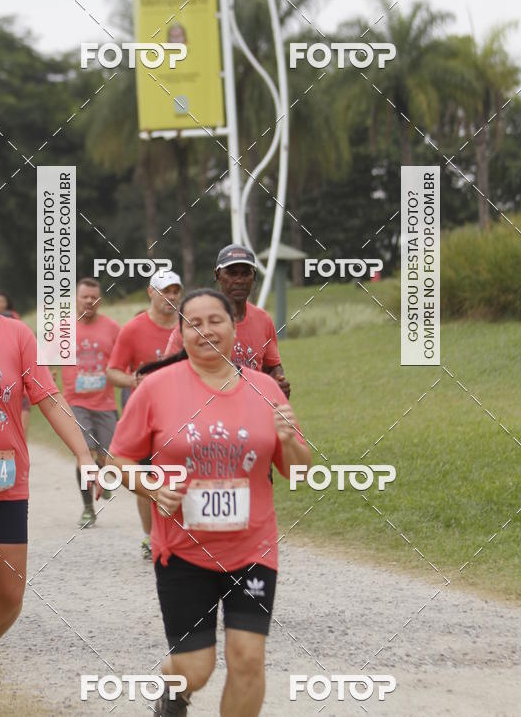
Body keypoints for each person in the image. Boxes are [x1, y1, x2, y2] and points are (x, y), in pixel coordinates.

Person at [109, 289, 311, 717]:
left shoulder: (266, 388)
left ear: (233, 328)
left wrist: (290, 440)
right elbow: (118, 461)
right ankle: (172, 690)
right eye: (193, 323)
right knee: (195, 669)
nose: (205, 330)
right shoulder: (156, 388)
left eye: (215, 320)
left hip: (252, 548)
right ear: (180, 333)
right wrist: (151, 486)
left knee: (247, 659)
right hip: (183, 552)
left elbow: (299, 471)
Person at [0, 248, 96, 717]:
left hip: (8, 478)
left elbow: (48, 399)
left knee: (8, 595)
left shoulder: (18, 336)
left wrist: (85, 454)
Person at [106, 269, 182, 559]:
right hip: (146, 416)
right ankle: (151, 537)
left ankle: (183, 533)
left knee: (179, 474)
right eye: (166, 291)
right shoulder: (134, 329)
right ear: (152, 293)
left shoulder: (188, 325)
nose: (171, 297)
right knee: (147, 477)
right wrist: (133, 381)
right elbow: (112, 372)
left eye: (176, 291)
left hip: (182, 414)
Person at [165, 245, 291, 397]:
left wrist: (278, 384)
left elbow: (272, 367)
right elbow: (167, 374)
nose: (239, 280)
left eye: (245, 274)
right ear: (217, 275)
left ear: (254, 277)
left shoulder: (263, 319)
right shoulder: (196, 320)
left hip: (252, 411)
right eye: (231, 273)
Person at [61, 278, 121, 527]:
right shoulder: (64, 328)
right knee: (83, 453)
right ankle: (88, 509)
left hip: (105, 403)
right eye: (84, 296)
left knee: (110, 458)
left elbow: (122, 361)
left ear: (100, 300)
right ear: (75, 299)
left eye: (93, 297)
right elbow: (43, 359)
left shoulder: (113, 328)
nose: (89, 301)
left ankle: (102, 473)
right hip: (76, 403)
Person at [0, 292, 31, 436]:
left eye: (2, 301)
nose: (0, 304)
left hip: (22, 396)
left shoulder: (23, 344)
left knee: (21, 433)